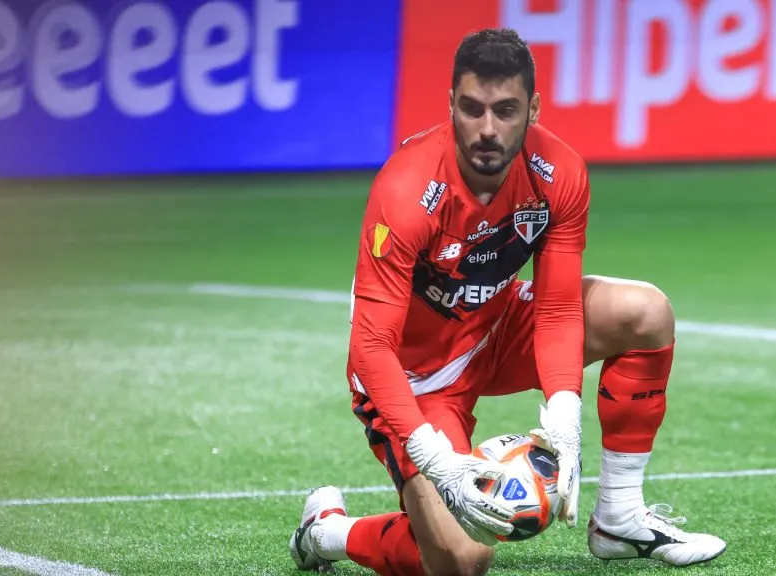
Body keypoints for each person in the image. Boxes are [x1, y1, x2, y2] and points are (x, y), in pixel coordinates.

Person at [290, 28, 726, 575]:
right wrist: (437, 461)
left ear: (533, 109)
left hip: (497, 329)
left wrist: (564, 420)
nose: (487, 129)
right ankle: (329, 531)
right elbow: (371, 350)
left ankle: (620, 517)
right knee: (463, 563)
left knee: (645, 312)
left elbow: (559, 307)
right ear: (451, 103)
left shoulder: (559, 174)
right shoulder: (405, 192)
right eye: (472, 109)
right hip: (415, 378)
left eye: (505, 109)